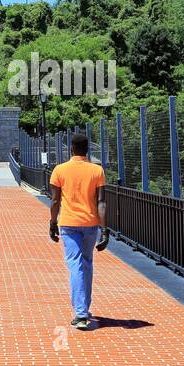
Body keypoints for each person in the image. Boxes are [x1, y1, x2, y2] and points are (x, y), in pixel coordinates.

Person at [48, 134, 109, 330]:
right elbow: (101, 202)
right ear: (87, 150)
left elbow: (55, 200)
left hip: (68, 223)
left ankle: (81, 313)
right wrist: (105, 229)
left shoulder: (60, 170)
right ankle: (84, 308)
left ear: (71, 149)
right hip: (91, 224)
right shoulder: (97, 171)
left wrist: (52, 222)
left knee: (75, 265)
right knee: (87, 263)